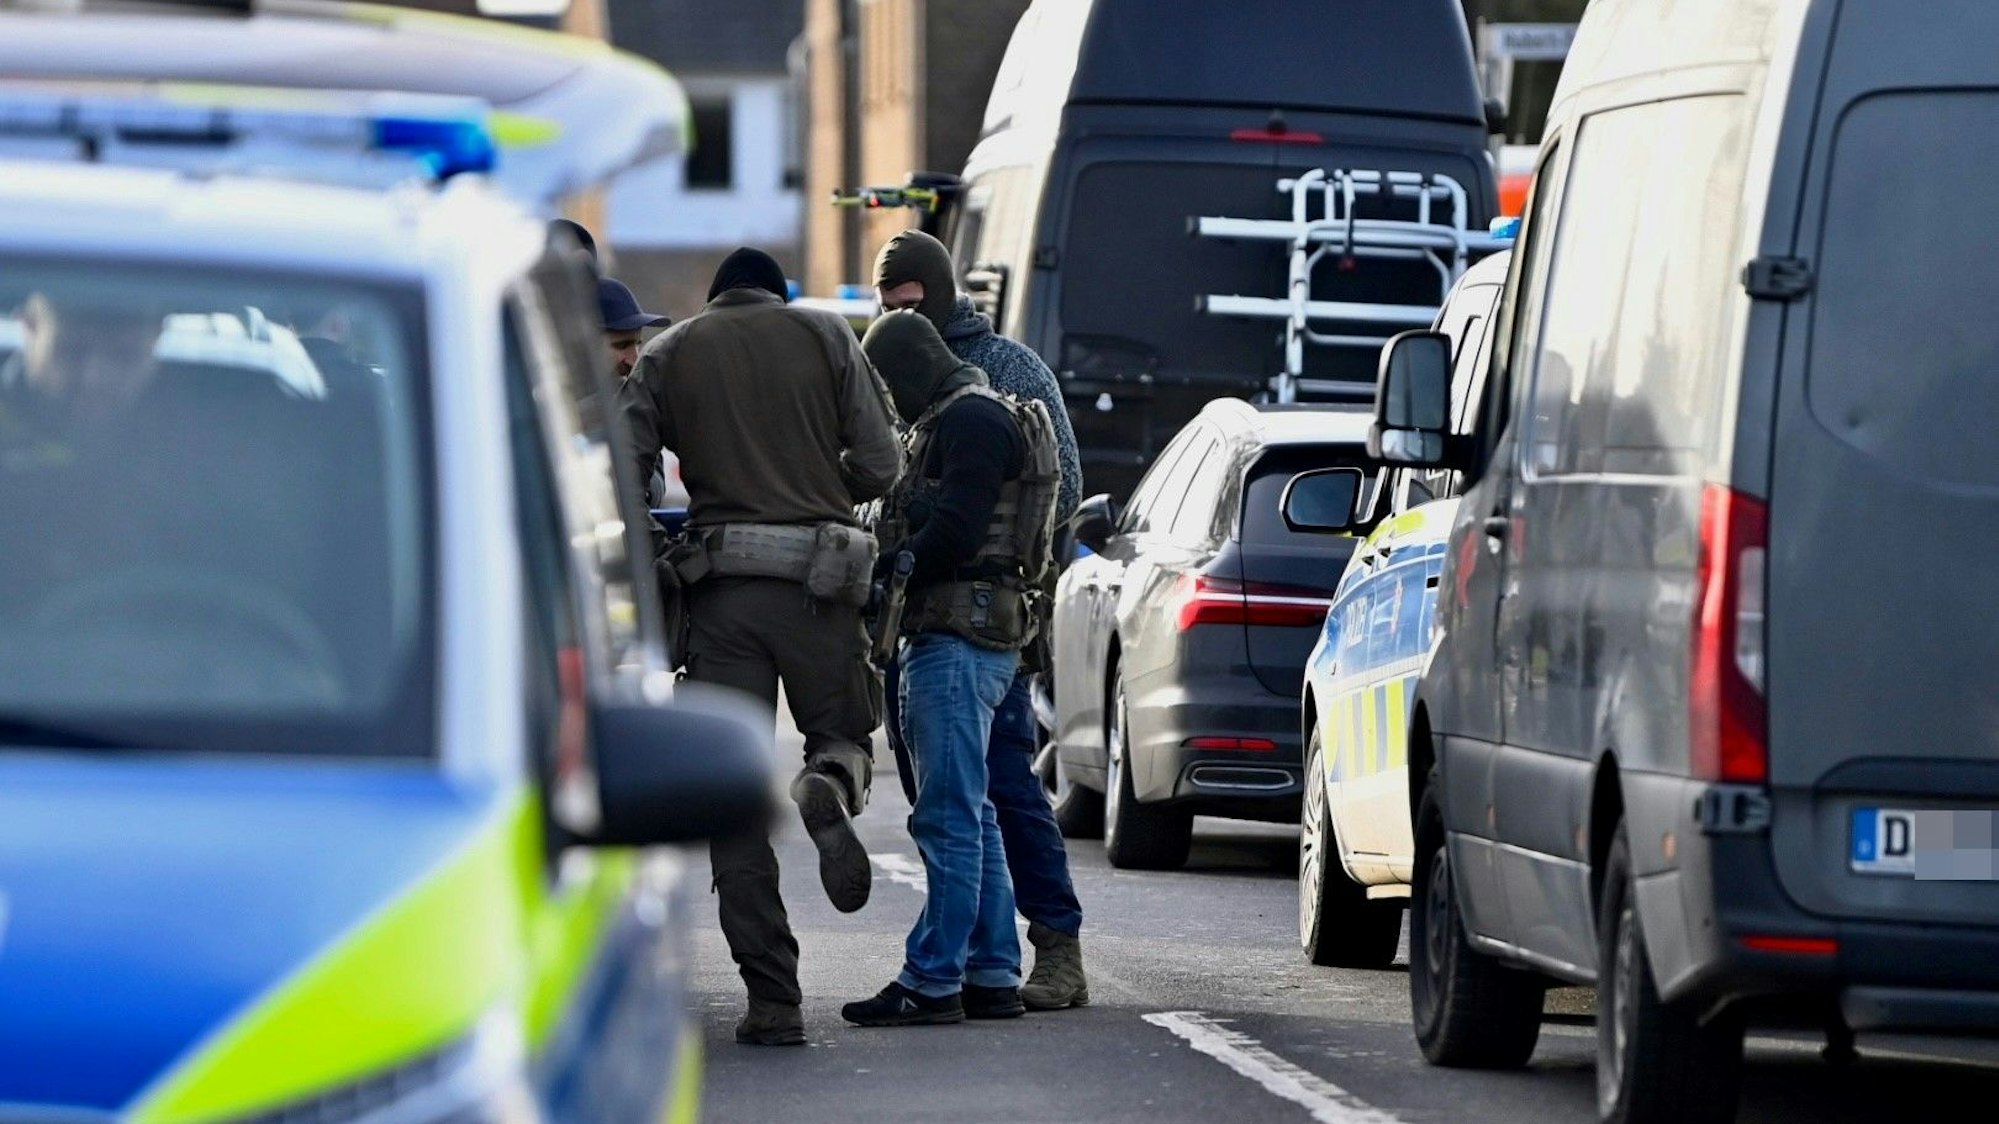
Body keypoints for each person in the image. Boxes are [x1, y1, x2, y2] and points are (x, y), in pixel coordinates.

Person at [617, 247, 901, 1047]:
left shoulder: (670, 353)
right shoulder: (826, 336)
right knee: (843, 734)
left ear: (714, 300)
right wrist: (818, 487)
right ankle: (828, 786)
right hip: (820, 586)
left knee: (732, 794)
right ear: (775, 295)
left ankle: (772, 999)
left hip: (719, 595)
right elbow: (882, 464)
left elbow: (620, 474)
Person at [872, 229, 1090, 1011]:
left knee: (998, 788)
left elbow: (1058, 486)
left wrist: (997, 570)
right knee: (943, 788)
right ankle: (982, 960)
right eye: (889, 302)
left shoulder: (1005, 370)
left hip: (984, 613)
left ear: (942, 290)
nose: (902, 312)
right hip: (919, 617)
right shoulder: (899, 375)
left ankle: (1054, 949)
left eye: (911, 300)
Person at [841, 310, 1061, 1028]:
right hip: (974, 634)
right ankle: (992, 970)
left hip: (956, 636)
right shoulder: (964, 412)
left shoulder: (968, 420)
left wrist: (883, 567)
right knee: (977, 813)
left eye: (886, 381)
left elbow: (958, 529)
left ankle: (931, 978)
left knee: (947, 818)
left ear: (906, 369)